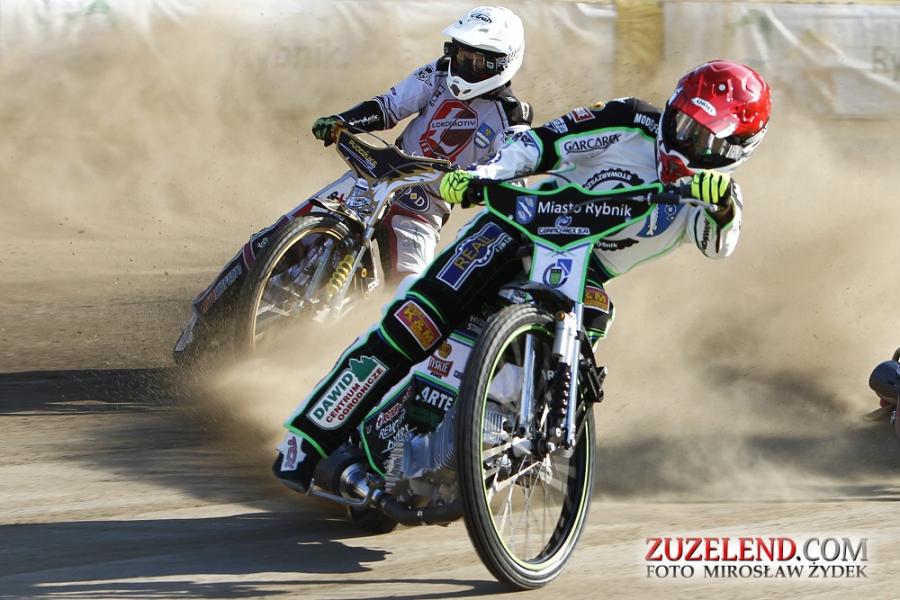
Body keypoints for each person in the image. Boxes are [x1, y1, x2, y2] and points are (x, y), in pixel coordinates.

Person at [273, 60, 772, 491]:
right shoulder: (629, 119)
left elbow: (718, 243)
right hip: (522, 227)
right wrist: (482, 176)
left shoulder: (716, 198)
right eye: (681, 121)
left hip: (583, 271)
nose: (683, 139)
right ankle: (308, 440)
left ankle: (518, 426)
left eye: (703, 137)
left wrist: (722, 205)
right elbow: (539, 143)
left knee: (596, 313)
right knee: (417, 321)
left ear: (736, 149)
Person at [302, 5, 532, 282]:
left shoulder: (512, 118)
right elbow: (389, 106)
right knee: (290, 228)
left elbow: (514, 183)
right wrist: (342, 121)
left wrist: (478, 184)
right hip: (377, 176)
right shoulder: (438, 72)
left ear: (502, 63)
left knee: (411, 289)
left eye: (476, 60)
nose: (464, 64)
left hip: (426, 206)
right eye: (461, 54)